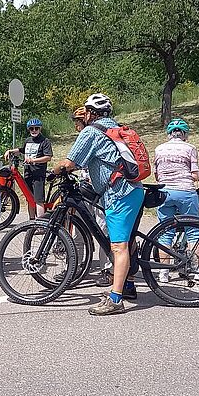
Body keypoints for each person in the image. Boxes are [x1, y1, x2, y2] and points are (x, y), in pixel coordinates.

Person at [52, 93, 145, 316]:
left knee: (118, 246)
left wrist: (55, 171)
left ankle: (115, 300)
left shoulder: (91, 131)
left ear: (91, 113)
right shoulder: (116, 129)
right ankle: (129, 285)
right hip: (133, 189)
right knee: (127, 239)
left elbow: (70, 162)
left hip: (119, 192)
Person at [153, 118, 199, 284]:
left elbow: (157, 175)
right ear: (184, 134)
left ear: (169, 134)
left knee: (165, 232)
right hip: (185, 192)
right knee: (194, 230)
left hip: (164, 192)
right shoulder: (190, 148)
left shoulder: (159, 149)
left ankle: (163, 273)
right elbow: (195, 175)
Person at [71, 106, 114, 286]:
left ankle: (108, 270)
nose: (76, 126)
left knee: (103, 229)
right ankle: (75, 267)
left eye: (78, 122)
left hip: (98, 190)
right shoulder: (83, 137)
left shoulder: (95, 134)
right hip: (84, 188)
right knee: (78, 230)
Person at [2, 118, 53, 219]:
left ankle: (41, 224)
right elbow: (22, 150)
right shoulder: (28, 140)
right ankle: (31, 221)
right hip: (28, 173)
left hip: (38, 174)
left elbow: (48, 157)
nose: (34, 130)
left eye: (36, 128)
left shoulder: (45, 141)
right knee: (29, 199)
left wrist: (34, 160)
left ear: (40, 129)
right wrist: (10, 151)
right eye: (31, 129)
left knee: (38, 200)